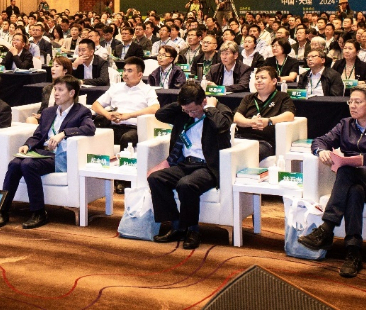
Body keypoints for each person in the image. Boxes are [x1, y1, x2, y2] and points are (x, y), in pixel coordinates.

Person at [298, 84, 366, 278]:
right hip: (355, 182)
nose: (352, 106)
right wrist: (321, 151)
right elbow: (320, 141)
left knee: (347, 171)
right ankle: (353, 252)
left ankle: (327, 228)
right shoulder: (345, 125)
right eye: (350, 101)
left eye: (358, 102)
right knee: (354, 191)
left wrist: (362, 163)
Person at [0, 75, 94, 230]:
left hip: (60, 155)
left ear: (72, 93)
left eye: (60, 90)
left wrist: (64, 134)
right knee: (14, 164)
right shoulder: (49, 112)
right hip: (43, 152)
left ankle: (39, 212)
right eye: (55, 89)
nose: (56, 93)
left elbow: (89, 128)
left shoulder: (81, 112)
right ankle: (3, 211)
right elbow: (37, 135)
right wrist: (27, 145)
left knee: (28, 164)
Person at [148, 82, 234, 249]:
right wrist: (183, 104)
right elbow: (160, 114)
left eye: (194, 110)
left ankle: (193, 231)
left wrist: (209, 108)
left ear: (203, 101)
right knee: (156, 178)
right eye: (187, 110)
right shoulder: (183, 112)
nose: (190, 114)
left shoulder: (220, 110)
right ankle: (177, 226)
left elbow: (222, 125)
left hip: (208, 167)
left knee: (186, 184)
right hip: (185, 163)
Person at [91, 56, 159, 151]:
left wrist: (129, 115)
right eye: (124, 70)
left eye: (129, 71)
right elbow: (95, 105)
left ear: (140, 75)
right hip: (113, 125)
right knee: (95, 133)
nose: (125, 74)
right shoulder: (116, 87)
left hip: (134, 128)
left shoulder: (147, 90)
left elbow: (155, 108)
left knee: (127, 138)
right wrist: (107, 114)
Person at [232, 66, 296, 161]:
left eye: (263, 78)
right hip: (242, 138)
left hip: (264, 142)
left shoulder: (282, 97)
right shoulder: (248, 98)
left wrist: (268, 121)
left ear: (274, 81)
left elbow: (289, 115)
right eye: (257, 78)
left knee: (247, 154)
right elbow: (237, 117)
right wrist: (250, 122)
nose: (259, 80)